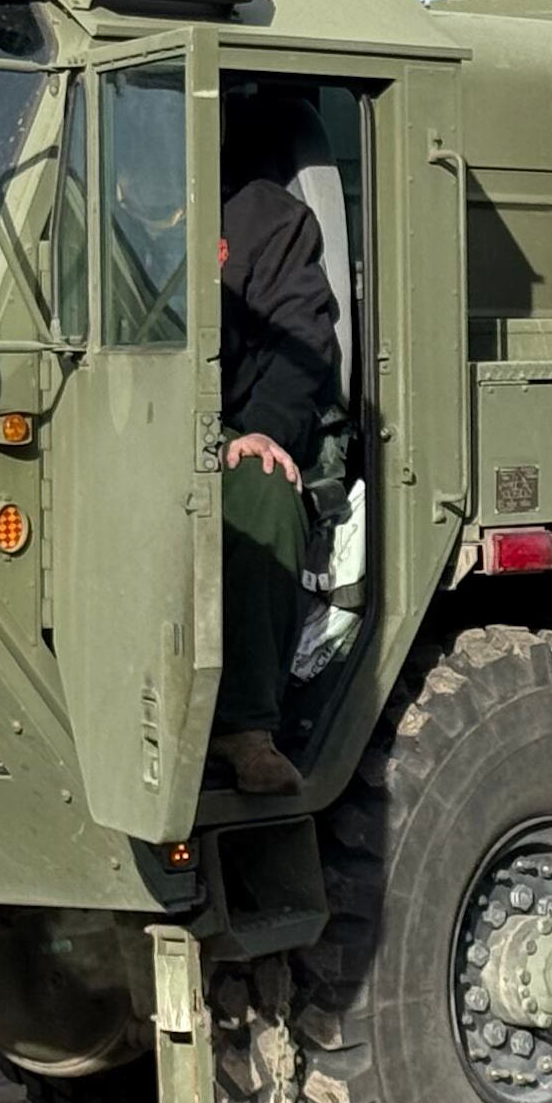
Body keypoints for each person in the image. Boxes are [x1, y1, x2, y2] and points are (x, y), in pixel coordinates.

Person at [211, 85, 342, 797]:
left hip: (225, 426)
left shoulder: (268, 219)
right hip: (103, 418)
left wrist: (263, 431)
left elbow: (304, 340)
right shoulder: (76, 204)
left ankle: (245, 729)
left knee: (260, 487)